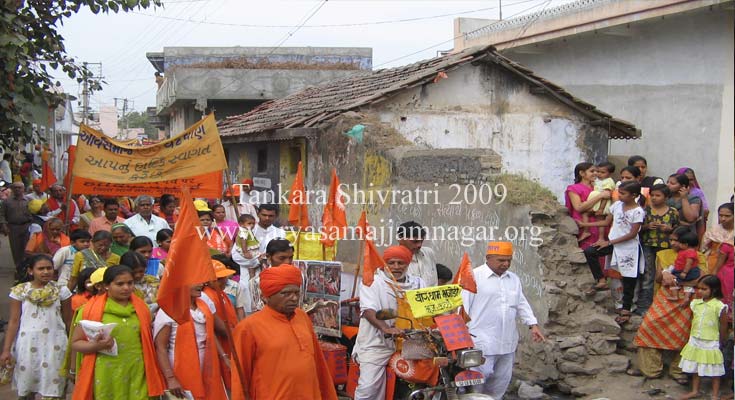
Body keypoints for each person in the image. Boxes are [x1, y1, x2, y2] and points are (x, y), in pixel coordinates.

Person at [230, 265, 337, 400]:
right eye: (285, 293)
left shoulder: (302, 317)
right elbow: (239, 378)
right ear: (265, 297)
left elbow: (319, 365)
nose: (293, 298)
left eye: (296, 293)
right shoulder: (248, 327)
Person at [460, 241, 545, 399]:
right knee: (476, 387)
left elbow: (521, 303)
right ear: (488, 258)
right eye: (501, 260)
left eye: (509, 260)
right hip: (481, 343)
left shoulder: (513, 279)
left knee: (500, 384)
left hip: (507, 343)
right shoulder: (473, 276)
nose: (506, 264)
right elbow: (463, 308)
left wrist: (533, 325)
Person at [71, 265, 166, 400]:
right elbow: (76, 343)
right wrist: (97, 346)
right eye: (120, 284)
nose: (126, 288)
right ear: (106, 286)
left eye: (130, 283)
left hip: (138, 369)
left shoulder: (142, 308)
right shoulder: (89, 310)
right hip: (106, 372)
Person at [630, 231, 706, 382]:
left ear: (685, 242)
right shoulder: (663, 254)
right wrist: (664, 276)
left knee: (684, 334)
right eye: (671, 240)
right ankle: (651, 369)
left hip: (688, 299)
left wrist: (679, 282)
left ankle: (678, 371)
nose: (673, 243)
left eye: (676, 240)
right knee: (648, 327)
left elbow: (702, 279)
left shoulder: (699, 256)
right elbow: (658, 278)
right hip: (665, 298)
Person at [353, 245, 425, 399]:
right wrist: (386, 328)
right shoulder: (372, 281)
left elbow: (427, 309)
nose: (396, 267)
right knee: (368, 389)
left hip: (412, 343)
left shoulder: (418, 283)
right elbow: (368, 310)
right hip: (377, 345)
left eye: (401, 263)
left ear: (408, 264)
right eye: (391, 263)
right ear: (384, 263)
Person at [0, 254, 72, 399]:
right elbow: (14, 321)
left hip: (55, 344)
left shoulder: (62, 291)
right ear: (31, 271)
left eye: (49, 268)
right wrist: (6, 350)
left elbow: (68, 320)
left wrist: (73, 347)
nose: (46, 272)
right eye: (41, 269)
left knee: (54, 386)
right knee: (27, 386)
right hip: (27, 345)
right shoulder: (20, 291)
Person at [583, 181, 645, 324]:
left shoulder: (638, 212)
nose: (619, 196)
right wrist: (585, 225)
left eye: (623, 193)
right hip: (613, 243)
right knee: (590, 251)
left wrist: (609, 242)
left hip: (628, 247)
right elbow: (606, 222)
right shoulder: (617, 206)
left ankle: (626, 309)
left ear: (634, 195)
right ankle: (601, 280)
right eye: (619, 193)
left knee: (629, 279)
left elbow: (632, 234)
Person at [153, 282, 228, 400]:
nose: (201, 284)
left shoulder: (203, 306)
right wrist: (171, 378)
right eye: (194, 282)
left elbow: (209, 333)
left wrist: (224, 357)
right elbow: (160, 347)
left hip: (209, 365)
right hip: (181, 369)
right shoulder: (169, 310)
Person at [678, 275, 728, 400]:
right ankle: (695, 391)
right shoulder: (695, 304)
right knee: (696, 366)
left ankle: (715, 395)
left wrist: (722, 341)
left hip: (711, 340)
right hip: (696, 339)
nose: (700, 291)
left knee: (714, 368)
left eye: (704, 289)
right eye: (699, 288)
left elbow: (723, 326)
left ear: (714, 290)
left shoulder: (719, 306)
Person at [637, 184, 679, 315]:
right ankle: (644, 306)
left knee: (663, 275)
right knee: (648, 274)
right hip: (648, 245)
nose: (654, 198)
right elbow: (638, 228)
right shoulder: (645, 211)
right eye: (652, 195)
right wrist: (647, 226)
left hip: (666, 247)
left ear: (666, 197)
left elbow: (678, 230)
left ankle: (661, 304)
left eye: (658, 195)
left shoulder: (673, 212)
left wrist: (669, 229)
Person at [244, 238, 294, 314]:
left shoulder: (298, 278)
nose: (288, 262)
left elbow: (299, 307)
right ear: (268, 257)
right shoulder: (257, 282)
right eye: (282, 258)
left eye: (290, 258)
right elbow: (258, 311)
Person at [566, 162, 610, 248]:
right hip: (583, 224)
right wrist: (600, 196)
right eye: (592, 171)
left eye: (596, 171)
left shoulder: (598, 187)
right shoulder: (573, 188)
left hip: (601, 224)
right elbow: (578, 208)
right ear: (582, 173)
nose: (596, 173)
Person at [706, 203, 734, 321]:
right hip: (714, 265)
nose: (723, 219)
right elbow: (704, 249)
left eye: (727, 216)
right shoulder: (714, 231)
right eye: (720, 215)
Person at [0, 181, 33, 268]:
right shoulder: (6, 202)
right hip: (13, 227)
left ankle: (27, 267)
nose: (17, 189)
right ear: (12, 189)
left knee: (27, 248)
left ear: (23, 189)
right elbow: (2, 215)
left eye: (19, 187)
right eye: (15, 187)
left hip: (27, 227)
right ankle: (18, 268)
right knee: (16, 249)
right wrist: (4, 226)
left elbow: (35, 213)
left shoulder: (29, 200)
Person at [398, 221, 438, 287]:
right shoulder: (393, 261)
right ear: (400, 239)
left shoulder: (429, 253)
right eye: (415, 241)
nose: (419, 245)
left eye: (421, 241)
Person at [664, 231, 701, 301]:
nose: (673, 243)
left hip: (688, 272)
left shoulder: (690, 252)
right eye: (671, 240)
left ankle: (676, 296)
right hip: (683, 271)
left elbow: (689, 263)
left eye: (680, 242)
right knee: (686, 285)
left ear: (686, 244)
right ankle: (686, 297)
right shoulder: (684, 251)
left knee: (674, 281)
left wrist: (684, 272)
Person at [676, 167, 710, 242]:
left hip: (692, 226)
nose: (689, 182)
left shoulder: (697, 193)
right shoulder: (672, 193)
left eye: (691, 179)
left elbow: (706, 210)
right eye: (686, 179)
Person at [232, 214, 261, 279]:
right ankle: (252, 275)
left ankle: (252, 274)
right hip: (248, 250)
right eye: (249, 223)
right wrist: (245, 252)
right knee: (256, 261)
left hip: (248, 249)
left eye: (253, 223)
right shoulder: (244, 232)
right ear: (241, 224)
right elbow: (243, 242)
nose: (252, 225)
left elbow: (237, 239)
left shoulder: (245, 230)